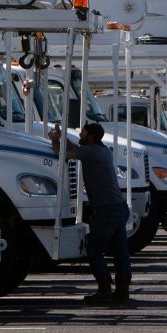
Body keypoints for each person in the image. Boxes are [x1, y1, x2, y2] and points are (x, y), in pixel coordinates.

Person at [49, 121, 131, 304]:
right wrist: (62, 137)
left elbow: (62, 154)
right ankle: (122, 290)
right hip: (118, 207)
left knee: (94, 248)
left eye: (84, 133)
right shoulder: (101, 150)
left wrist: (55, 141)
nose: (81, 136)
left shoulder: (91, 152)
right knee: (120, 250)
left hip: (107, 210)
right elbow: (76, 147)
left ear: (92, 137)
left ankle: (104, 289)